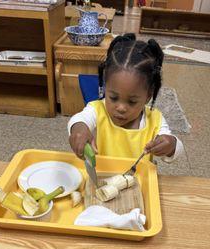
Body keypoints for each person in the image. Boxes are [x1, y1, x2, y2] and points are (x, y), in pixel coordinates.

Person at [68, 33, 184, 163]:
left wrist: (171, 145)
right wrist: (79, 128)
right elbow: (79, 119)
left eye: (132, 101)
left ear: (148, 96)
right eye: (113, 97)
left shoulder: (154, 120)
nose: (121, 108)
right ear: (105, 87)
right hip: (103, 176)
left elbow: (176, 150)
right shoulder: (97, 109)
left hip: (141, 179)